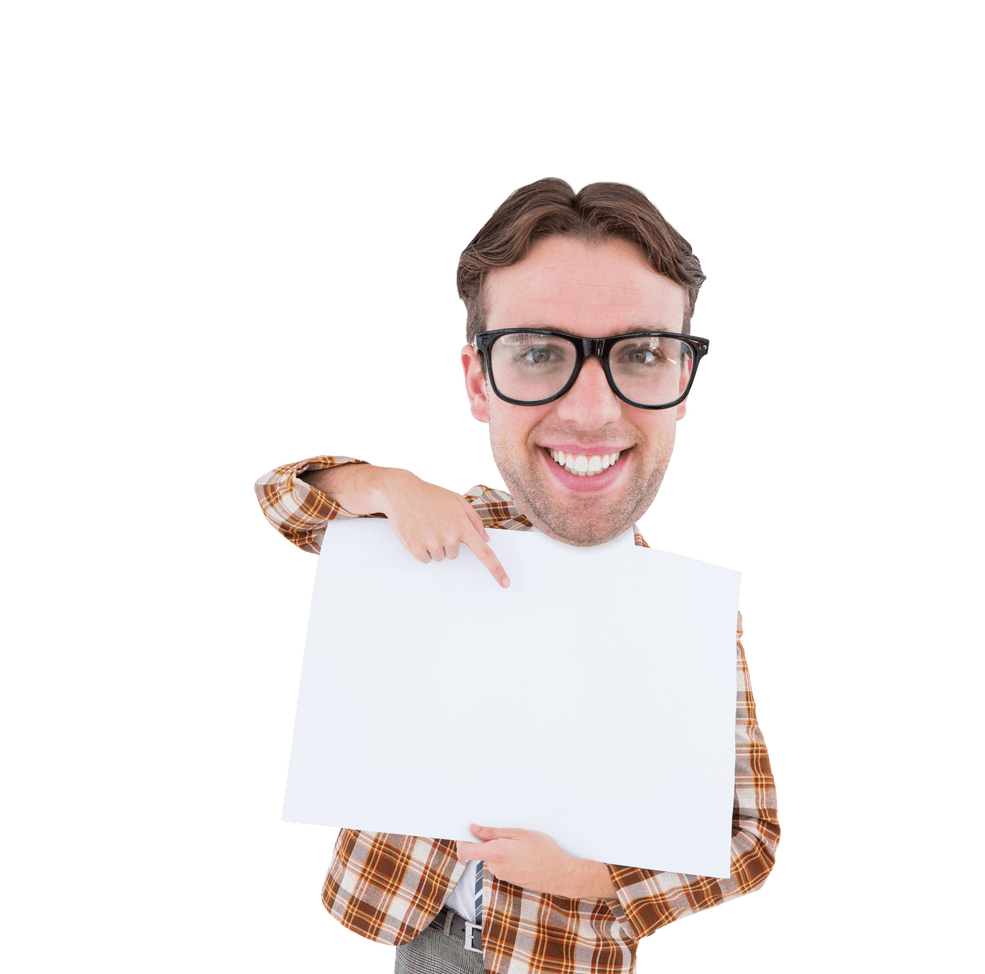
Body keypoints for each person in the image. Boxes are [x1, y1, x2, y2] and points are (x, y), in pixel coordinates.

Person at [253, 177, 780, 974]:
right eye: (538, 353)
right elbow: (285, 500)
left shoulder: (688, 619)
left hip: (560, 956)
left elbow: (751, 840)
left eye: (641, 354)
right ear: (477, 383)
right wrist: (384, 487)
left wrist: (594, 879)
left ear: (682, 386)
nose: (591, 411)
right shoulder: (449, 532)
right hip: (418, 935)